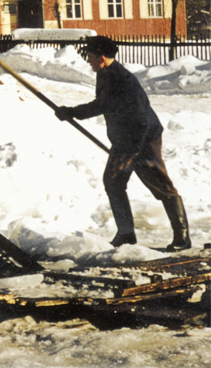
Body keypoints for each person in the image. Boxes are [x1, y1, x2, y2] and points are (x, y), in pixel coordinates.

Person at [55, 36, 190, 250]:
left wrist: (133, 150)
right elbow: (103, 104)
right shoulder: (105, 73)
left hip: (142, 137)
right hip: (125, 139)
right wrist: (71, 113)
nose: (87, 60)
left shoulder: (121, 79)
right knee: (114, 182)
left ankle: (182, 237)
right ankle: (126, 234)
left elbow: (138, 116)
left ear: (101, 56)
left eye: (90, 56)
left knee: (159, 184)